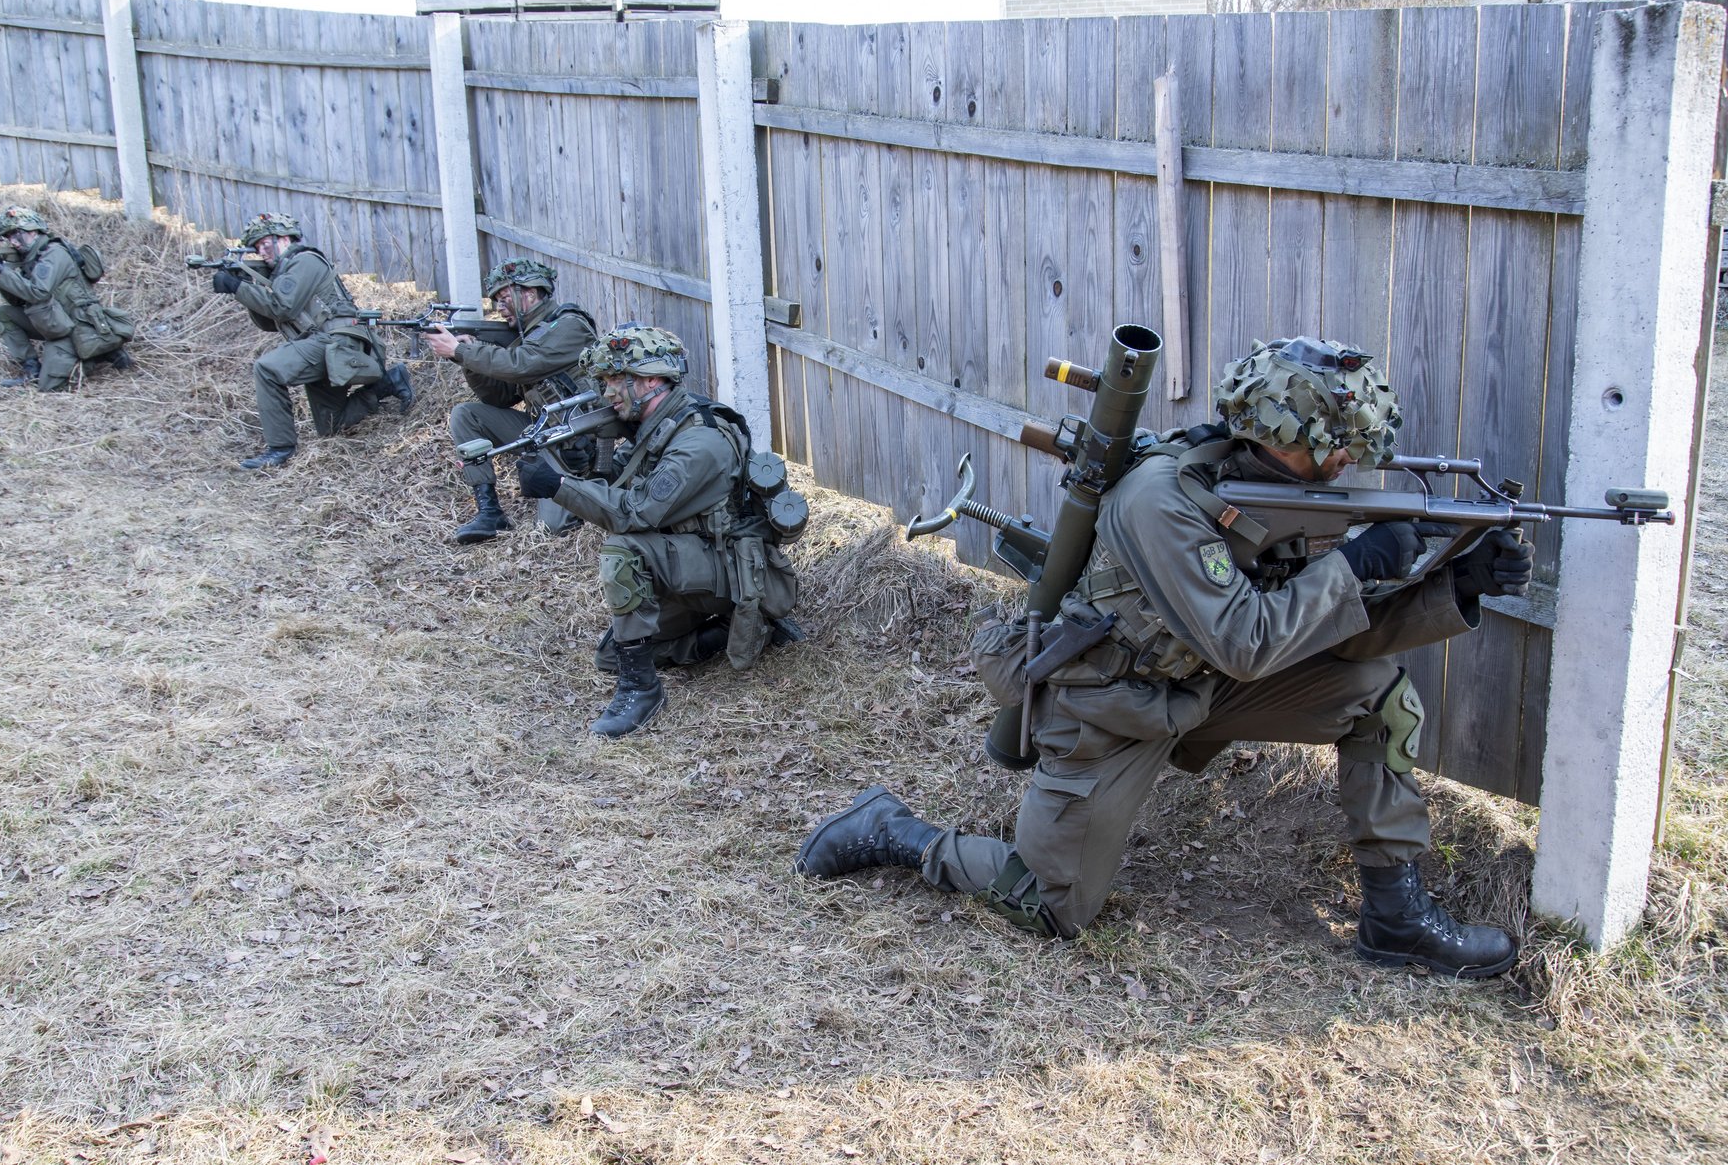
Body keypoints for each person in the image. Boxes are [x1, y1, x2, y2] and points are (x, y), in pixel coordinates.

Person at [795, 336, 1536, 979]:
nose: (1345, 462)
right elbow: (1249, 640)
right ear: (1285, 435)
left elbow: (1321, 634)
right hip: (1111, 702)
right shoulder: (1165, 501)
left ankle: (1396, 918)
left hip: (1204, 682)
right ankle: (895, 831)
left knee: (1377, 695)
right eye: (1333, 447)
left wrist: (1450, 588)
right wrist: (1352, 566)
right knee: (1049, 907)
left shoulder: (1272, 488)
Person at [514, 325, 801, 737]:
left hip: (730, 567)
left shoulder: (699, 441)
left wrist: (558, 486)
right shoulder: (659, 426)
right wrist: (587, 459)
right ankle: (722, 634)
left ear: (651, 379)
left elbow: (635, 513)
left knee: (623, 549)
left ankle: (642, 690)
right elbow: (623, 481)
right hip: (691, 560)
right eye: (604, 381)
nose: (607, 392)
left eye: (616, 380)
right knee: (612, 653)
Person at [214, 213, 412, 471]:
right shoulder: (284, 272)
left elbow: (280, 307)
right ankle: (388, 383)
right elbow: (268, 322)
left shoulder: (305, 261)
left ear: (283, 238)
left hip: (336, 342)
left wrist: (237, 287)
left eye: (265, 244)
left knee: (267, 369)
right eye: (257, 248)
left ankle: (280, 448)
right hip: (322, 345)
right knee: (332, 425)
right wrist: (245, 285)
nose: (261, 252)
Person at [424, 258, 595, 543]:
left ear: (529, 292)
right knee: (467, 415)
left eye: (504, 298)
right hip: (544, 435)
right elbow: (499, 397)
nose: (499, 308)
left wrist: (461, 352)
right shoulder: (526, 337)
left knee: (555, 527)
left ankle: (589, 488)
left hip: (575, 442)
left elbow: (522, 365)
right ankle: (490, 513)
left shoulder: (570, 326)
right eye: (496, 301)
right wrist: (468, 359)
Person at [0, 206, 134, 392]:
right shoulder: (29, 258)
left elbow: (38, 293)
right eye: (8, 237)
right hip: (54, 323)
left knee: (50, 386)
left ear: (32, 231)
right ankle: (31, 368)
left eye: (15, 234)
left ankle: (98, 353)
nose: (13, 242)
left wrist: (1, 271)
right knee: (0, 314)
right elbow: (17, 302)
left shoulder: (53, 253)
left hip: (76, 326)